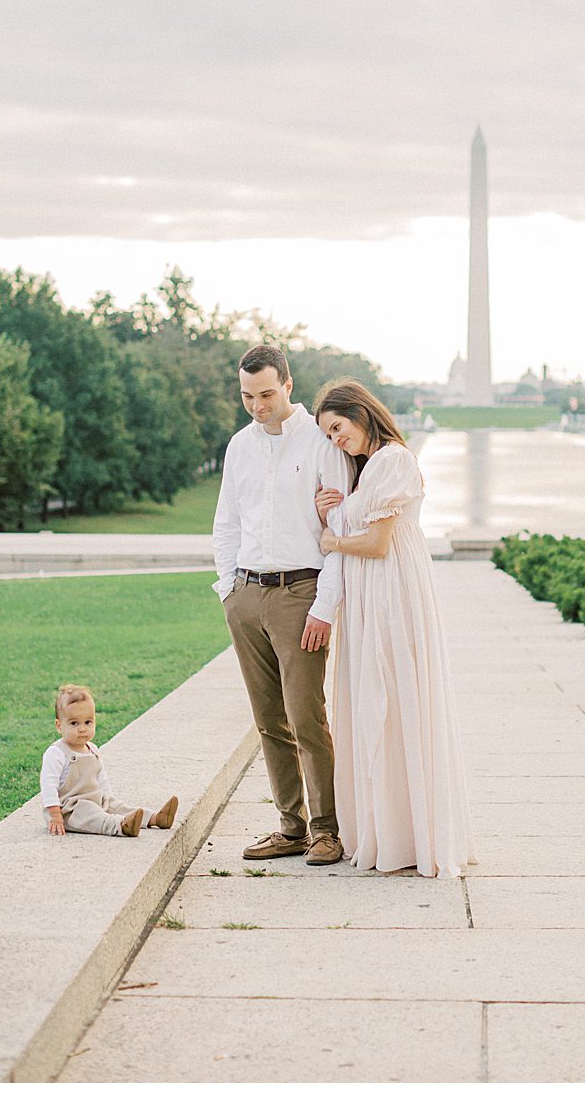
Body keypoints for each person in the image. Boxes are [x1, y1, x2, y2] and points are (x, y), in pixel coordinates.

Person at [313, 380, 475, 879]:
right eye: (329, 435)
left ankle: (407, 833)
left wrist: (330, 541)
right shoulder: (373, 469)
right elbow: (364, 527)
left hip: (389, 595)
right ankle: (394, 827)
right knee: (379, 706)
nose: (337, 440)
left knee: (390, 698)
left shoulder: (392, 461)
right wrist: (333, 512)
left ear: (361, 414)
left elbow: (379, 544)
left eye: (338, 428)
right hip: (374, 596)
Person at [213, 345, 351, 865]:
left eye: (267, 393)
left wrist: (324, 605)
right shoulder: (238, 446)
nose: (257, 404)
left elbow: (339, 528)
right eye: (248, 396)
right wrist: (229, 590)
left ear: (288, 385)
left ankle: (325, 829)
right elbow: (226, 522)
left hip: (301, 593)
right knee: (269, 719)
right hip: (247, 594)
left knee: (306, 716)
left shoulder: (320, 441)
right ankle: (290, 827)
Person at [41, 684, 179, 838]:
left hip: (95, 799)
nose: (82, 729)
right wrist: (54, 814)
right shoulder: (57, 753)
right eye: (74, 723)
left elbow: (101, 777)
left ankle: (155, 818)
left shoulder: (92, 749)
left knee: (118, 806)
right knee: (94, 815)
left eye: (88, 722)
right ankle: (121, 825)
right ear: (59, 726)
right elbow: (48, 785)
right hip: (71, 810)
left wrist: (107, 798)